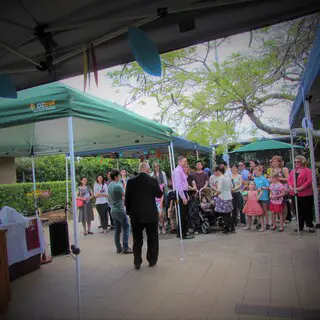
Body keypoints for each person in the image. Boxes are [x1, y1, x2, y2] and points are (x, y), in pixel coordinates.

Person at [125, 162, 163, 269]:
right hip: (151, 214)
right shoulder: (153, 180)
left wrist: (129, 212)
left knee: (137, 239)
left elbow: (127, 199)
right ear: (147, 169)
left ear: (139, 169)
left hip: (136, 215)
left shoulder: (131, 182)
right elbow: (159, 194)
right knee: (152, 238)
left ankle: (137, 261)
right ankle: (152, 260)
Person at [288, 155, 315, 233]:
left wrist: (301, 188)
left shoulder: (308, 170)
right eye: (295, 162)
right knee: (297, 210)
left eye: (298, 162)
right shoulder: (293, 171)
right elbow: (289, 179)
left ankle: (310, 225)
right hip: (294, 193)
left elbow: (309, 181)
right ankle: (300, 225)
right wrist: (290, 186)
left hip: (306, 193)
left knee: (307, 210)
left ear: (302, 162)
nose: (296, 163)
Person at [108, 170, 133, 254]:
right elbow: (125, 195)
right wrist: (125, 186)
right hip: (119, 209)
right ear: (116, 177)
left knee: (117, 230)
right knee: (126, 227)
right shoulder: (118, 186)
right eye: (119, 176)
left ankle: (118, 248)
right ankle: (125, 247)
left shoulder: (109, 185)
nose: (119, 177)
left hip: (113, 210)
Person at [173, 156, 195, 240]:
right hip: (180, 193)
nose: (186, 163)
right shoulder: (178, 171)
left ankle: (181, 233)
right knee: (183, 214)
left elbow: (183, 183)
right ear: (179, 162)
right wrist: (183, 197)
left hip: (183, 193)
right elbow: (179, 186)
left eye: (186, 161)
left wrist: (186, 195)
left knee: (184, 214)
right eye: (184, 161)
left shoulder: (180, 170)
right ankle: (183, 233)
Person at [213, 166, 235, 234]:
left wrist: (214, 194)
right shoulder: (228, 177)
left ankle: (226, 229)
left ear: (218, 171)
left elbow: (219, 190)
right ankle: (232, 228)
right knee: (228, 213)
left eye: (215, 171)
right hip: (229, 196)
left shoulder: (220, 178)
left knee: (224, 214)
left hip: (223, 197)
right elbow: (232, 187)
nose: (215, 172)